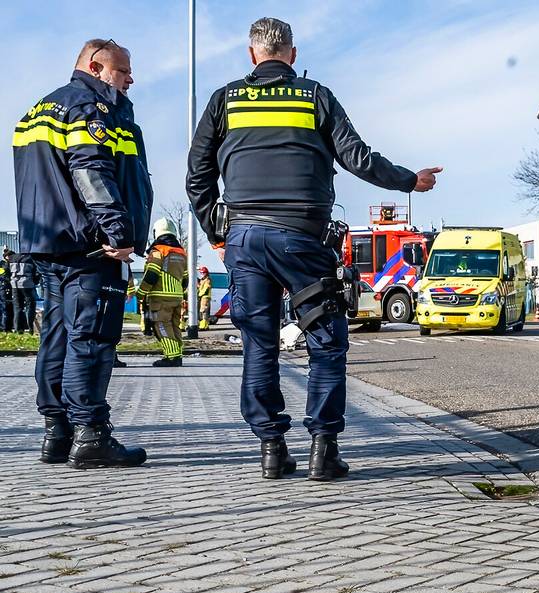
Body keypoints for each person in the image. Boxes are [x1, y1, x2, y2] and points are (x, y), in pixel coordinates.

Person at [187, 17, 441, 481]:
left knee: (259, 344)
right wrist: (410, 180)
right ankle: (323, 451)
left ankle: (271, 449)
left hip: (245, 238)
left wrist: (218, 234)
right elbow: (358, 157)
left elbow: (197, 175)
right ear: (293, 54)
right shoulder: (314, 96)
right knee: (326, 342)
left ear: (252, 55)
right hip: (303, 238)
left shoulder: (225, 100)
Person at [12, 38, 150, 468]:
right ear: (95, 67)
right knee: (91, 340)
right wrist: (118, 231)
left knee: (56, 338)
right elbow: (91, 170)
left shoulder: (37, 110)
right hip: (91, 247)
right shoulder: (89, 109)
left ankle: (57, 432)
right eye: (122, 71)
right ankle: (91, 434)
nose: (130, 79)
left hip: (49, 244)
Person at [136, 218, 188, 367]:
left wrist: (140, 293)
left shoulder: (158, 251)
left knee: (162, 326)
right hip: (177, 296)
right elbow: (185, 279)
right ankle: (177, 354)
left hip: (160, 296)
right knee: (174, 326)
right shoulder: (181, 252)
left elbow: (151, 274)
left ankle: (172, 357)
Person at [10, 252, 39, 334]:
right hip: (27, 284)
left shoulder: (13, 258)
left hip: (15, 285)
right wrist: (35, 282)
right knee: (30, 306)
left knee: (17, 307)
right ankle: (30, 329)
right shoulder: (31, 258)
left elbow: (8, 271)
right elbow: (36, 273)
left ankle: (18, 329)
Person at [0, 248, 13, 333]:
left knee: (7, 308)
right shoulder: (4, 264)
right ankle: (4, 327)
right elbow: (3, 276)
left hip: (6, 287)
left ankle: (7, 327)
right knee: (4, 308)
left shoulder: (7, 264)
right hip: (4, 288)